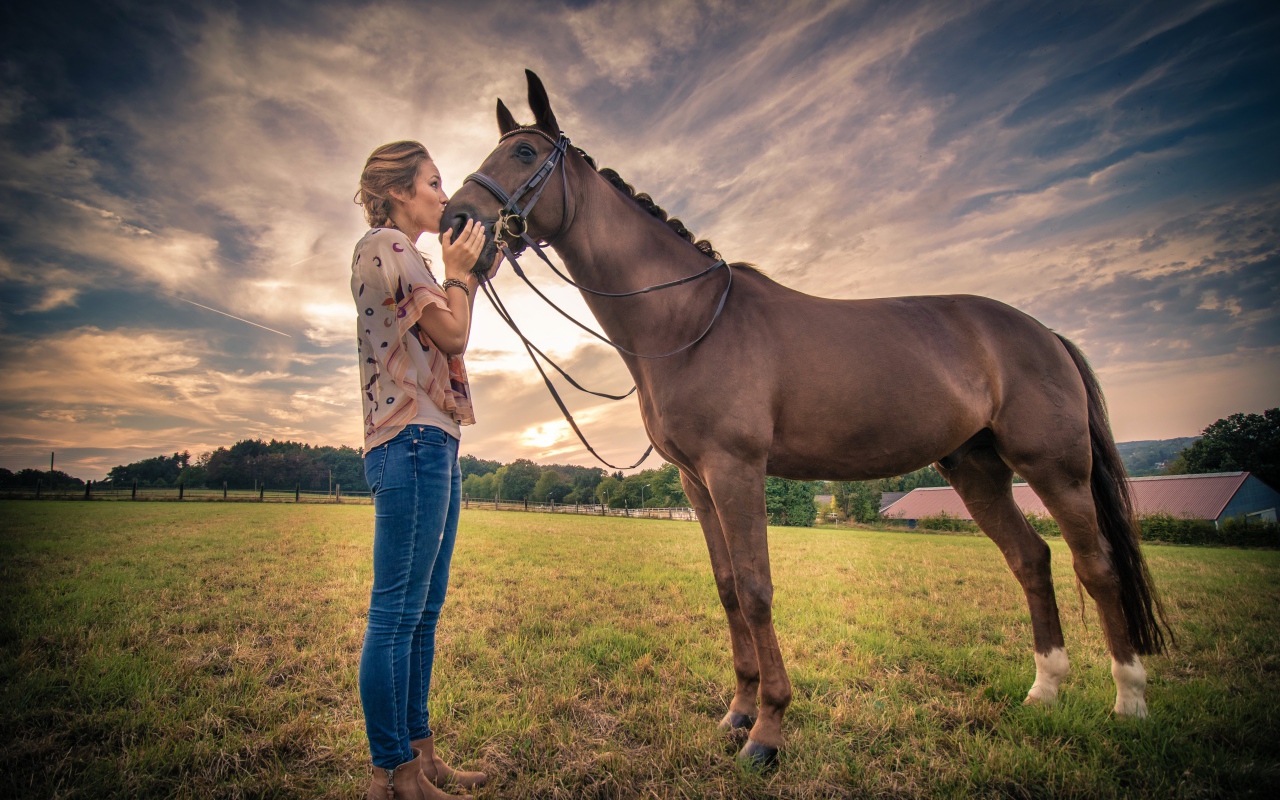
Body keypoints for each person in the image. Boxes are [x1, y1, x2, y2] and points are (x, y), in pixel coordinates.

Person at [352, 140, 497, 800]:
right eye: (434, 183)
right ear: (400, 192)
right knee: (396, 616)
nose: (445, 194)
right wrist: (458, 272)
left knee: (422, 613)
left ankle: (421, 755)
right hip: (410, 441)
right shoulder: (388, 245)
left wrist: (465, 273)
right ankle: (393, 776)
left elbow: (450, 326)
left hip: (432, 441)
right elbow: (455, 335)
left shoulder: (406, 255)